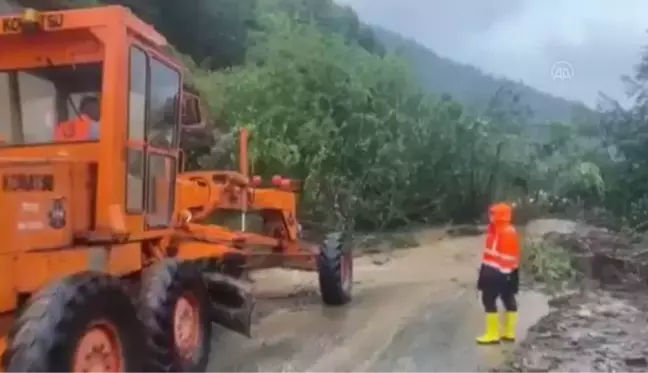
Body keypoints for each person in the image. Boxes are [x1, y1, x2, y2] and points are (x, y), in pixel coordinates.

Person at [476, 202, 521, 345]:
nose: (490, 216)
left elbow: (508, 255)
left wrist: (504, 274)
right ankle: (508, 333)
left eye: (493, 213)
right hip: (500, 270)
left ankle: (493, 334)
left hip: (498, 271)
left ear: (500, 215)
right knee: (508, 298)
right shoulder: (497, 229)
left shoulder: (505, 231)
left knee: (489, 300)